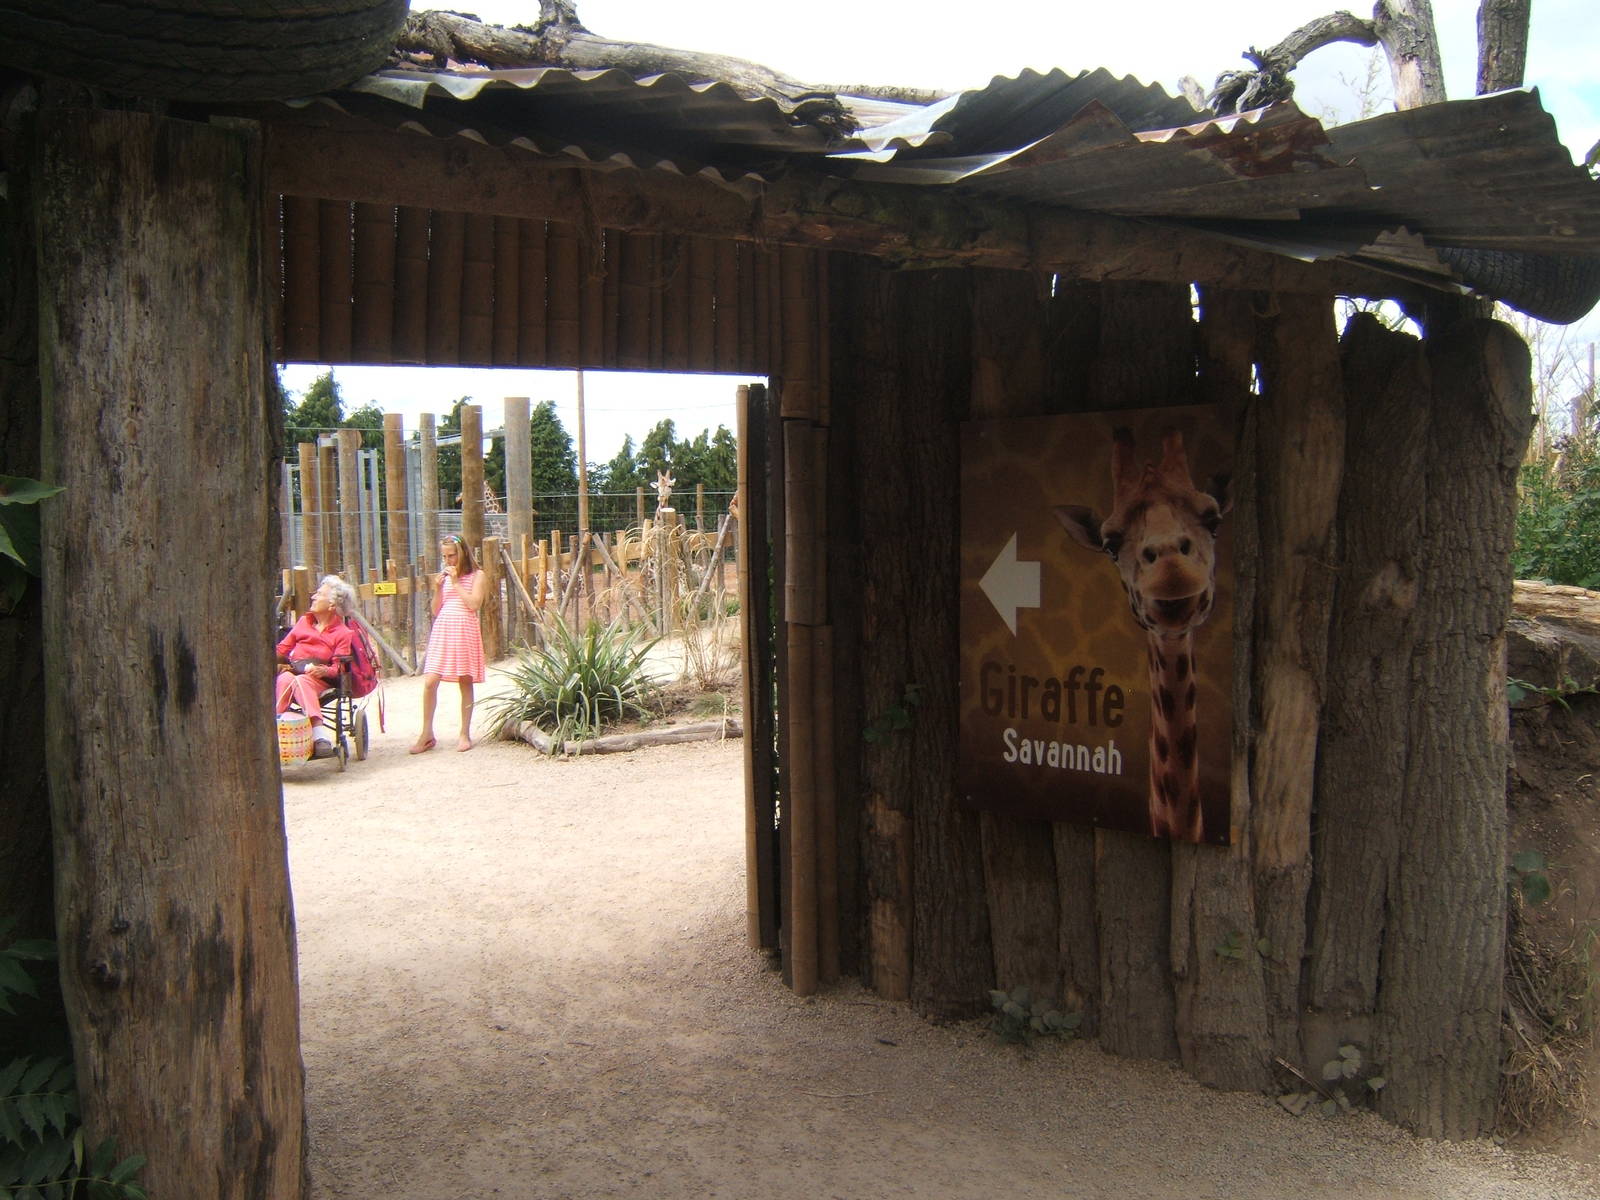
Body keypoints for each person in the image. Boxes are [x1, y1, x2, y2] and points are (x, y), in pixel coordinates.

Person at [412, 534, 488, 753]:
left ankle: (464, 733)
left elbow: (474, 604)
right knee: (430, 681)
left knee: (465, 680)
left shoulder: (477, 575)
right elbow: (436, 610)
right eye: (444, 556)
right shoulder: (444, 577)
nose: (448, 560)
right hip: (444, 628)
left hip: (464, 627)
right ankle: (426, 733)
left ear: (462, 552)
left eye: (452, 555)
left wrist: (455, 583)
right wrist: (438, 588)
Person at [276, 575, 357, 758]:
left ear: (331, 605)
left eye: (319, 594)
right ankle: (278, 724)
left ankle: (319, 735)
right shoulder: (304, 622)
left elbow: (340, 668)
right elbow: (283, 649)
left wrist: (324, 670)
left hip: (319, 681)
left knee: (301, 681)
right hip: (295, 672)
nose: (313, 597)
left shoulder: (342, 633)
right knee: (286, 678)